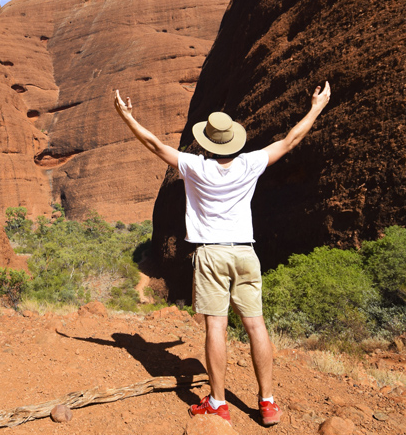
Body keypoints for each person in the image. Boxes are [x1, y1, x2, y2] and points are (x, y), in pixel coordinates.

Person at [113, 82, 331, 426]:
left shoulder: (194, 167)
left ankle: (218, 401)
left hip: (211, 255)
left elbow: (154, 144)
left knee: (216, 326)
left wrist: (127, 117)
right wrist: (317, 106)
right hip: (246, 253)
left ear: (206, 142)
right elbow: (290, 140)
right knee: (255, 325)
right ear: (234, 140)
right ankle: (268, 402)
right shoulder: (250, 163)